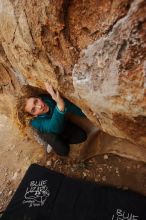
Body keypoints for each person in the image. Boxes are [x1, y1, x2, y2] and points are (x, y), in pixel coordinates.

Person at [19, 83, 88, 156]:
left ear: (39, 98)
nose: (39, 106)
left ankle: (62, 138)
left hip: (60, 123)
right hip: (49, 131)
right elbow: (54, 128)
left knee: (82, 136)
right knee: (64, 151)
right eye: (33, 110)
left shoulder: (48, 98)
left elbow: (70, 107)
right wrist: (60, 106)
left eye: (36, 101)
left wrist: (88, 114)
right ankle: (52, 142)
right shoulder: (35, 122)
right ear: (34, 115)